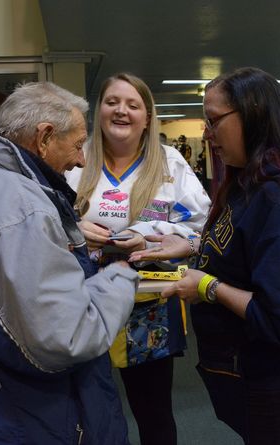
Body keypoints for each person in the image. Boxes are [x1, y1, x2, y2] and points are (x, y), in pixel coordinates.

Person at [130, 67, 280, 445]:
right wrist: (194, 247)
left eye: (214, 121)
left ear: (254, 114)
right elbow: (250, 248)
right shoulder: (248, 180)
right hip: (256, 376)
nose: (207, 134)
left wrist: (208, 286)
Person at [0, 82, 139, 444]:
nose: (81, 159)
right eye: (78, 144)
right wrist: (120, 279)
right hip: (11, 419)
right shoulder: (21, 210)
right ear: (45, 137)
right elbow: (65, 336)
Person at [66, 72, 210, 445]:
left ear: (148, 116)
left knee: (153, 413)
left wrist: (150, 236)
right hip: (81, 300)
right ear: (99, 111)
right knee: (84, 406)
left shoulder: (168, 163)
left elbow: (201, 224)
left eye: (133, 105)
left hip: (147, 302)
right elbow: (43, 219)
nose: (121, 111)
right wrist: (74, 228)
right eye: (112, 102)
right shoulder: (76, 161)